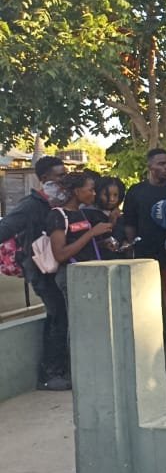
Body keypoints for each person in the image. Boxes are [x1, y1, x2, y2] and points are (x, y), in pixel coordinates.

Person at [0, 157, 69, 389]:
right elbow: (5, 228)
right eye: (60, 176)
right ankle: (50, 374)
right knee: (57, 316)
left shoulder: (60, 203)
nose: (64, 180)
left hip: (57, 269)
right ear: (45, 179)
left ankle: (59, 370)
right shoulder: (30, 205)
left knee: (61, 316)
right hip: (41, 271)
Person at [44, 172, 113, 389]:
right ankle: (73, 373)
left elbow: (81, 246)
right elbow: (61, 254)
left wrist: (102, 243)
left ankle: (89, 370)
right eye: (90, 189)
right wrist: (91, 234)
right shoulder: (58, 216)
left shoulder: (81, 213)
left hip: (87, 276)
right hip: (70, 276)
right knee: (76, 326)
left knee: (89, 325)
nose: (94, 194)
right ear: (76, 191)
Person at [123, 148, 166, 360]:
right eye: (161, 164)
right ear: (150, 166)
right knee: (146, 306)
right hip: (144, 258)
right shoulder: (136, 192)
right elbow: (129, 223)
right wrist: (132, 249)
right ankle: (148, 351)